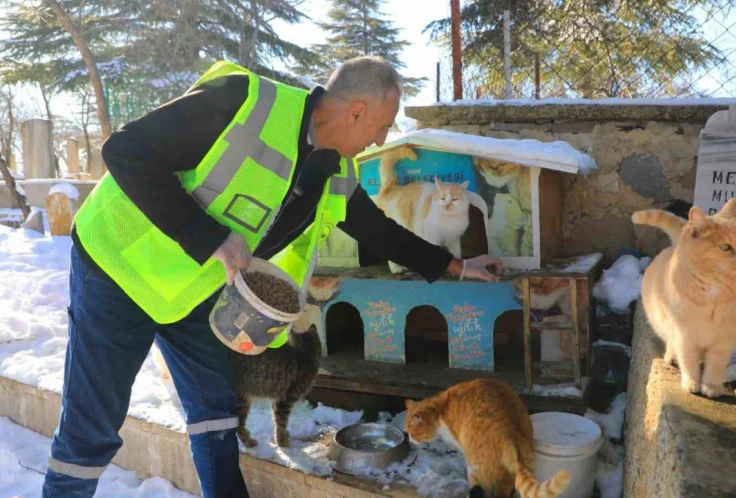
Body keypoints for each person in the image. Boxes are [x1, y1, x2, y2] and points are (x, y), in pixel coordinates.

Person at [42, 56, 502, 498]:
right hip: (116, 270)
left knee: (217, 414)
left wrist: (458, 265)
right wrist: (209, 237)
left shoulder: (337, 170)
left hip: (190, 291)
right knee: (93, 428)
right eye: (382, 126)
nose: (383, 138)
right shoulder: (242, 101)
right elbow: (125, 150)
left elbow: (378, 230)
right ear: (357, 111)